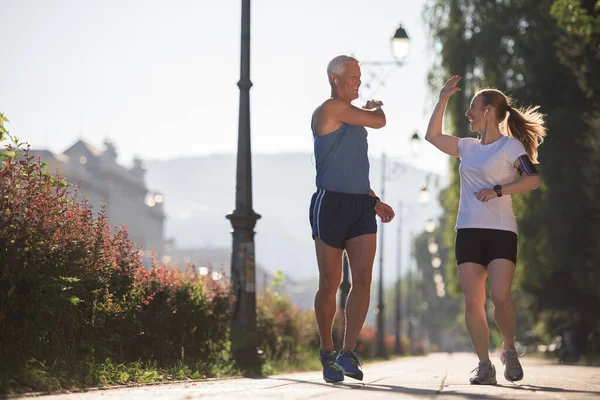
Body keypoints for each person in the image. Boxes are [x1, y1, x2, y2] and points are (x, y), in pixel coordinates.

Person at [425, 76, 546, 384]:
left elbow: (532, 179)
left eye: (473, 108)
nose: (468, 113)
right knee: (472, 300)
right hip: (467, 230)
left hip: (500, 231)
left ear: (489, 111)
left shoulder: (511, 145)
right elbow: (433, 136)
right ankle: (484, 364)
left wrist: (498, 190)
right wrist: (442, 99)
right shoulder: (466, 147)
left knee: (501, 296)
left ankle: (508, 348)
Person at [309, 55, 395, 383]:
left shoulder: (352, 119)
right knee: (329, 283)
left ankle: (347, 352)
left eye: (360, 77)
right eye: (352, 77)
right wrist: (376, 107)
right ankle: (327, 352)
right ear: (334, 78)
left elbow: (352, 167)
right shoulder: (330, 109)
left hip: (361, 204)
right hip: (329, 204)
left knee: (362, 280)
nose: (358, 82)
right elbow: (380, 121)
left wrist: (374, 200)